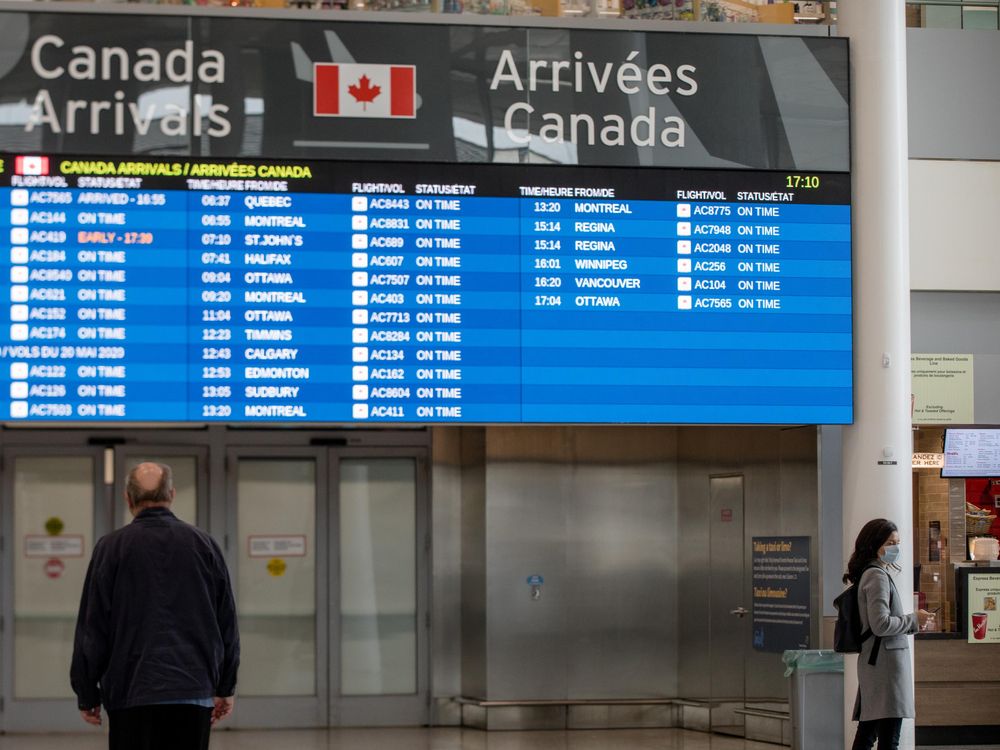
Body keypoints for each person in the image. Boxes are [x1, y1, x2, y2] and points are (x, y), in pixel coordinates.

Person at [71, 462, 240, 750]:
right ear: (171, 494)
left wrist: (87, 692)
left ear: (127, 498)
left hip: (130, 692)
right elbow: (226, 622)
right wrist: (225, 686)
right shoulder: (204, 545)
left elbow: (93, 626)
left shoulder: (111, 548)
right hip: (193, 689)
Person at [845, 518, 935, 750]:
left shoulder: (872, 573)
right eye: (890, 542)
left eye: (897, 542)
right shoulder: (876, 576)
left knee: (870, 732)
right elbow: (880, 624)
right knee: (887, 737)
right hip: (885, 665)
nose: (895, 548)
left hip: (878, 663)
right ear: (874, 544)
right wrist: (914, 618)